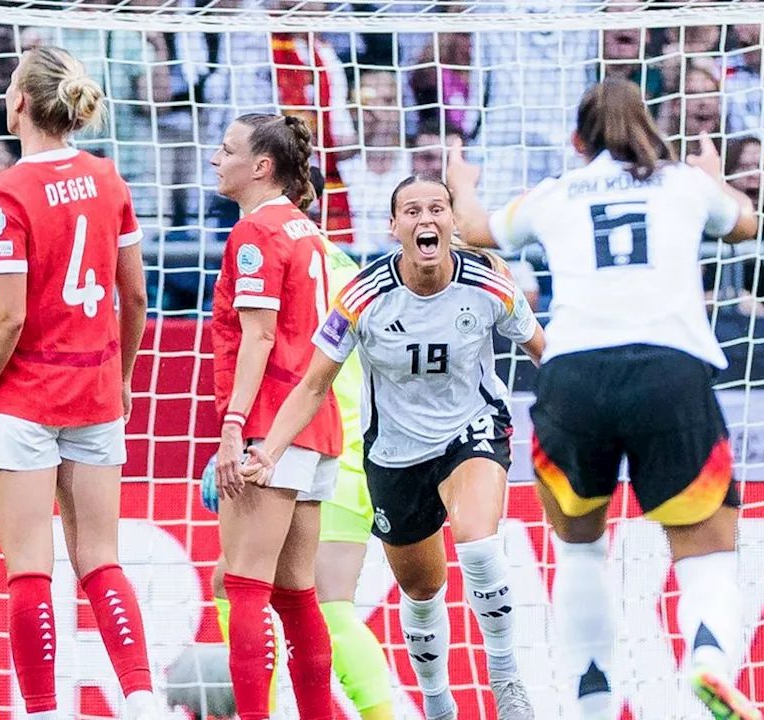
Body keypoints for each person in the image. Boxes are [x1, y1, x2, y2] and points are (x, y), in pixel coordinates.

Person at [446, 78, 762, 720]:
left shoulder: (557, 193)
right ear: (649, 129)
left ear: (576, 140)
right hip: (669, 371)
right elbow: (747, 226)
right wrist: (715, 176)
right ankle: (707, 664)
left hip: (572, 375)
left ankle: (593, 700)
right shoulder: (682, 183)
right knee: (706, 552)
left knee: (581, 549)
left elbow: (475, 230)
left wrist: (461, 179)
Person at [238, 175, 546, 720]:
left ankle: (506, 679)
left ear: (452, 221)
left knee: (477, 543)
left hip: (471, 429)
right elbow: (313, 384)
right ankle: (437, 704)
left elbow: (545, 351)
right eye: (412, 211)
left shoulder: (491, 284)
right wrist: (270, 449)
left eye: (437, 209)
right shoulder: (361, 297)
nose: (425, 219)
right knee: (422, 590)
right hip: (396, 454)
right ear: (394, 226)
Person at [0, 46, 155, 720]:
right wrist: (121, 378)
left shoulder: (5, 194)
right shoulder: (108, 179)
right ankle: (142, 700)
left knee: (31, 568)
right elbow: (136, 300)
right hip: (96, 393)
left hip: (26, 399)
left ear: (18, 104)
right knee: (101, 559)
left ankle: (44, 711)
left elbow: (6, 317)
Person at [198, 169, 395, 720]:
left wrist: (238, 430)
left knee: (307, 597)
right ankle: (266, 705)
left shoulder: (272, 248)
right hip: (334, 439)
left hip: (307, 438)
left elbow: (269, 351)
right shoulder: (335, 262)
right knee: (264, 586)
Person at [207, 112, 341, 720]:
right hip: (313, 425)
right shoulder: (309, 232)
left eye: (226, 149)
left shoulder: (256, 234)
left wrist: (234, 427)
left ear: (261, 167)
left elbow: (258, 338)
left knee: (245, 587)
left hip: (268, 423)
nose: (216, 157)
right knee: (296, 595)